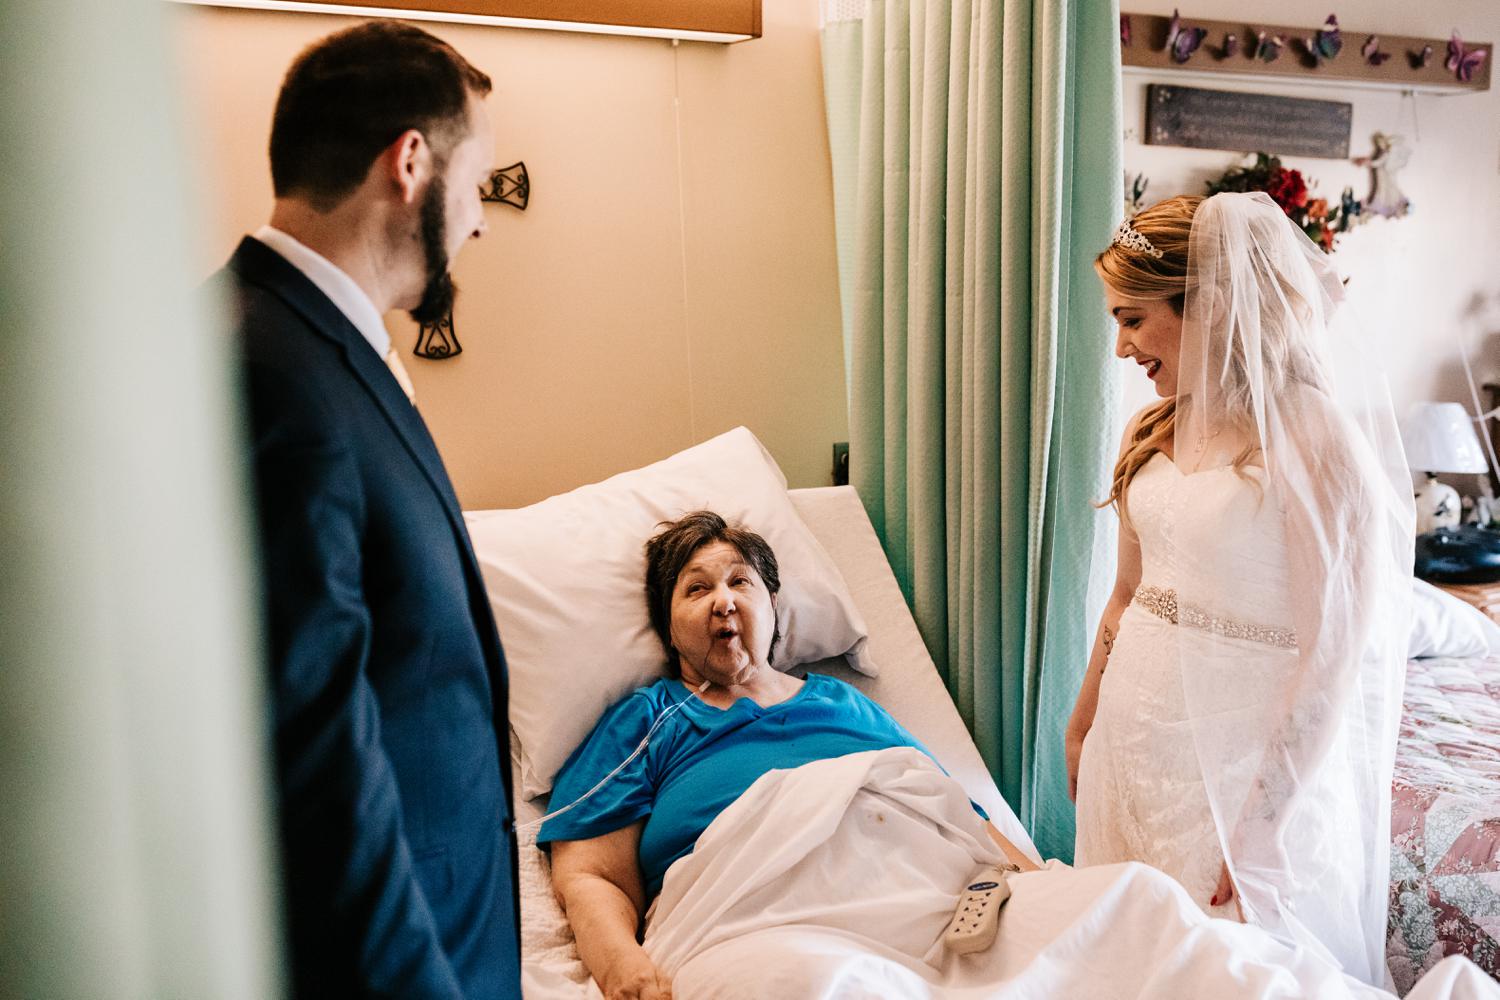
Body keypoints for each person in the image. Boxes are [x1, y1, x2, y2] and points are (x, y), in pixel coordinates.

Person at [211, 22, 519, 997]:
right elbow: (314, 760)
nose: (477, 221)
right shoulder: (271, 374)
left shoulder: (306, 345)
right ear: (412, 162)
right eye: (477, 181)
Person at [1064, 192, 1413, 986]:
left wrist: (1262, 824)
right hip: (1132, 740)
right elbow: (1126, 597)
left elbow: (1332, 652)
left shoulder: (1316, 438)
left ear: (1210, 305)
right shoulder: (1149, 431)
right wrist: (1084, 722)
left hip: (1235, 771)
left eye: (1132, 318)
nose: (1121, 349)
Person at [539, 511, 1036, 1000]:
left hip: (928, 899)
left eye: (740, 582)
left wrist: (1042, 887)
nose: (724, 602)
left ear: (773, 606)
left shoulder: (844, 702)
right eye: (696, 589)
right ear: (668, 629)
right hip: (759, 927)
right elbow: (590, 872)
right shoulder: (649, 721)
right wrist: (622, 967)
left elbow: (951, 809)